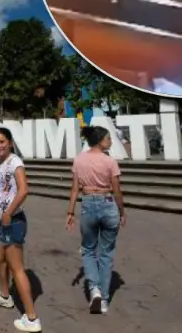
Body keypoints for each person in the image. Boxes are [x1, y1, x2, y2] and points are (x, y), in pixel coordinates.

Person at [0, 127, 42, 332]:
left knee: (17, 268)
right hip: (2, 220)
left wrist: (9, 212)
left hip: (13, 220)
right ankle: (4, 296)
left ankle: (31, 318)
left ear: (9, 142)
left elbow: (24, 188)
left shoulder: (15, 162)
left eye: (2, 141)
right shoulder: (0, 162)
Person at [66, 126, 126, 315]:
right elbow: (117, 190)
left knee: (88, 250)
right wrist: (122, 210)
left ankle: (95, 290)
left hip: (88, 204)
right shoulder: (110, 162)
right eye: (108, 138)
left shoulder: (79, 160)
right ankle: (104, 300)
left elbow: (75, 189)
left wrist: (70, 212)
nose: (110, 141)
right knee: (106, 254)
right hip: (108, 204)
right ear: (100, 141)